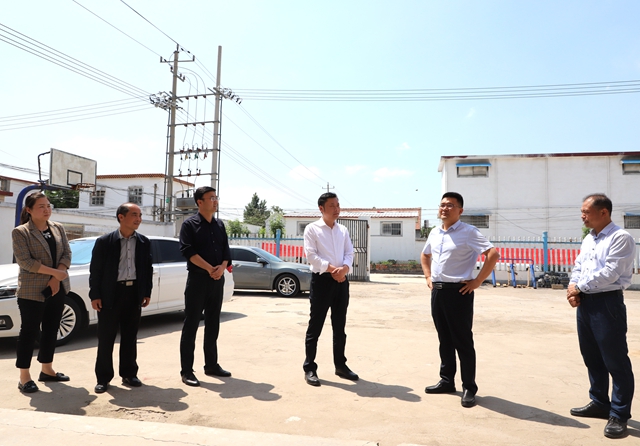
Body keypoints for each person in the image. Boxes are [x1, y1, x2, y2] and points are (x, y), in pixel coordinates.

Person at [420, 192, 499, 408]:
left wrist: (477, 281)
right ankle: (446, 380)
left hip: (459, 292)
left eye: (450, 205)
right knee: (444, 339)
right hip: (438, 292)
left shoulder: (469, 232)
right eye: (442, 205)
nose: (444, 208)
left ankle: (469, 387)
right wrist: (428, 277)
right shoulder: (435, 232)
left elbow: (493, 254)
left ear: (460, 210)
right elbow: (425, 255)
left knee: (462, 341)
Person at [567, 194, 635, 439]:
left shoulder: (620, 238)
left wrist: (579, 288)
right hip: (586, 303)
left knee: (615, 360)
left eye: (586, 211)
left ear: (604, 212)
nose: (582, 216)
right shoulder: (589, 238)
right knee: (592, 356)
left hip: (607, 303)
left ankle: (619, 414)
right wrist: (572, 288)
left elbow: (611, 273)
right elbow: (578, 266)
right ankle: (599, 402)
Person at [89, 203, 153, 393]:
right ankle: (103, 378)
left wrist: (146, 292)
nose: (138, 219)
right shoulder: (105, 242)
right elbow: (96, 270)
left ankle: (129, 374)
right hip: (111, 293)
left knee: (130, 336)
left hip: (133, 294)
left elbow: (147, 269)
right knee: (106, 337)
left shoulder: (143, 242)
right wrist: (95, 294)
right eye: (134, 214)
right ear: (121, 217)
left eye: (140, 215)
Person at [12, 192, 71, 393]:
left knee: (51, 329)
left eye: (48, 205)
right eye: (41, 206)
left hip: (57, 287)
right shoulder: (21, 232)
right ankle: (24, 377)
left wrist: (57, 278)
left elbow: (66, 253)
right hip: (32, 291)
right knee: (29, 332)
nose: (46, 209)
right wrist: (55, 273)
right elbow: (25, 262)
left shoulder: (58, 228)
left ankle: (47, 369)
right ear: (29, 210)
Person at [179, 186, 231, 387]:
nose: (215, 201)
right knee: (191, 324)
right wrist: (210, 269)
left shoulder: (220, 225)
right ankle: (186, 371)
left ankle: (211, 365)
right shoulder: (189, 225)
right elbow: (188, 251)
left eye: (216, 197)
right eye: (211, 198)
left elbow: (226, 251)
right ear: (199, 202)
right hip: (198, 280)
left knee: (213, 323)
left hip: (217, 280)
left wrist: (221, 268)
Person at [302, 192, 356, 387]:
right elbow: (311, 256)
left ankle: (340, 365)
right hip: (322, 281)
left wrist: (345, 269)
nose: (336, 209)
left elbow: (349, 252)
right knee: (315, 326)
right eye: (332, 205)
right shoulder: (312, 229)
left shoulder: (342, 230)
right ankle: (310, 368)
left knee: (339, 327)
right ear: (321, 208)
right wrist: (333, 269)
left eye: (338, 205)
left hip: (341, 282)